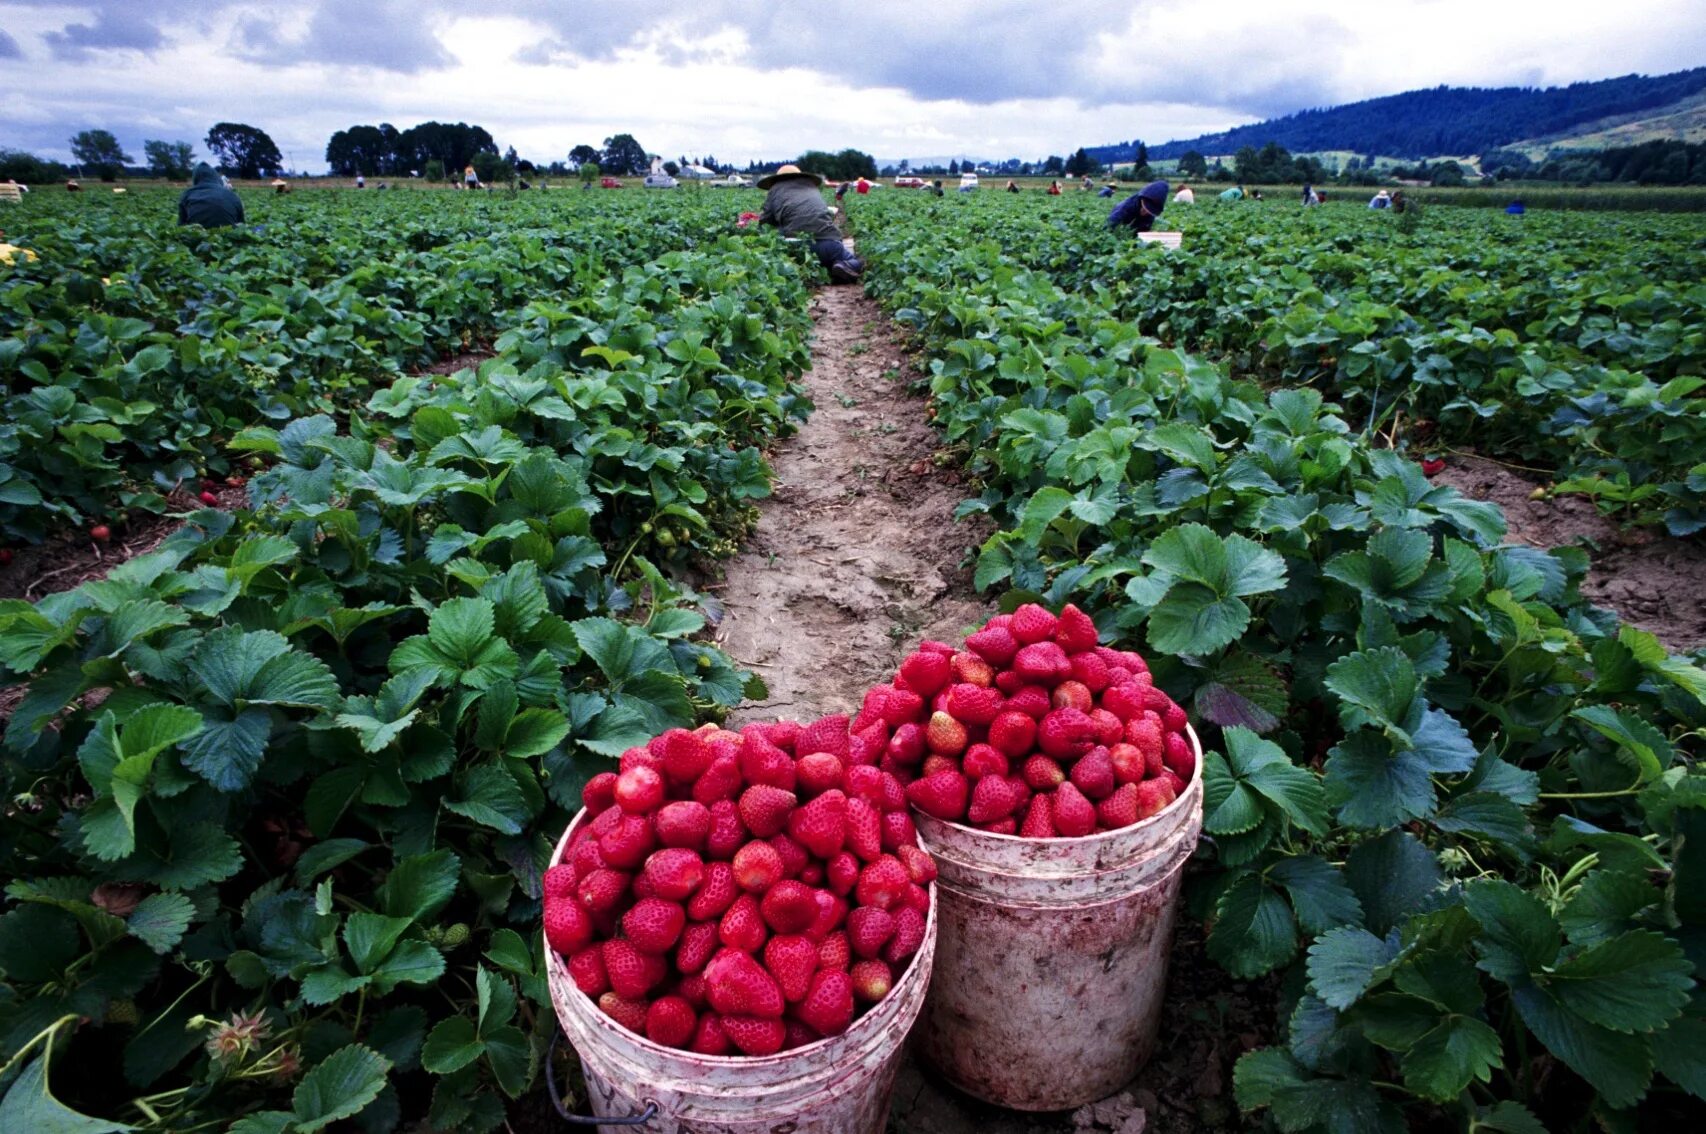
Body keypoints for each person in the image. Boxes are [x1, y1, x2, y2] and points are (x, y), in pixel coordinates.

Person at [756, 164, 863, 284]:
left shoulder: (775, 189)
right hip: (827, 244)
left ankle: (804, 268)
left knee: (780, 230)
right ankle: (840, 265)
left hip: (795, 248)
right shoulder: (811, 187)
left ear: (778, 178)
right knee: (853, 260)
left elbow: (764, 223)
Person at [178, 162, 245, 228]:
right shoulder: (233, 195)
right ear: (216, 177)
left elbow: (181, 226)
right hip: (229, 236)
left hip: (198, 236)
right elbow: (242, 224)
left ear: (195, 179)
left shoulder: (187, 194)